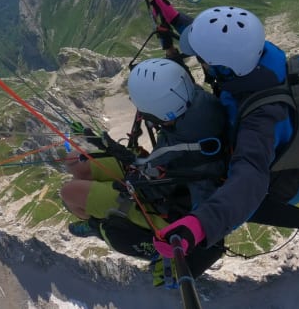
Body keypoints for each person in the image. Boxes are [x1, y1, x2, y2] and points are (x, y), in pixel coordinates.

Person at [147, 0, 299, 260]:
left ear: (223, 68)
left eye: (205, 61)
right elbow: (222, 41)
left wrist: (200, 225)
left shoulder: (261, 121)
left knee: (201, 177)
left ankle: (205, 249)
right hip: (263, 142)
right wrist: (175, 19)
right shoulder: (255, 59)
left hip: (279, 179)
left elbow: (250, 179)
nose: (202, 63)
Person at [59, 57, 228, 276]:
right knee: (74, 161)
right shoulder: (193, 100)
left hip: (161, 202)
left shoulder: (187, 143)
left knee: (69, 193)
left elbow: (206, 206)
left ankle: (96, 224)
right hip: (153, 174)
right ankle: (94, 206)